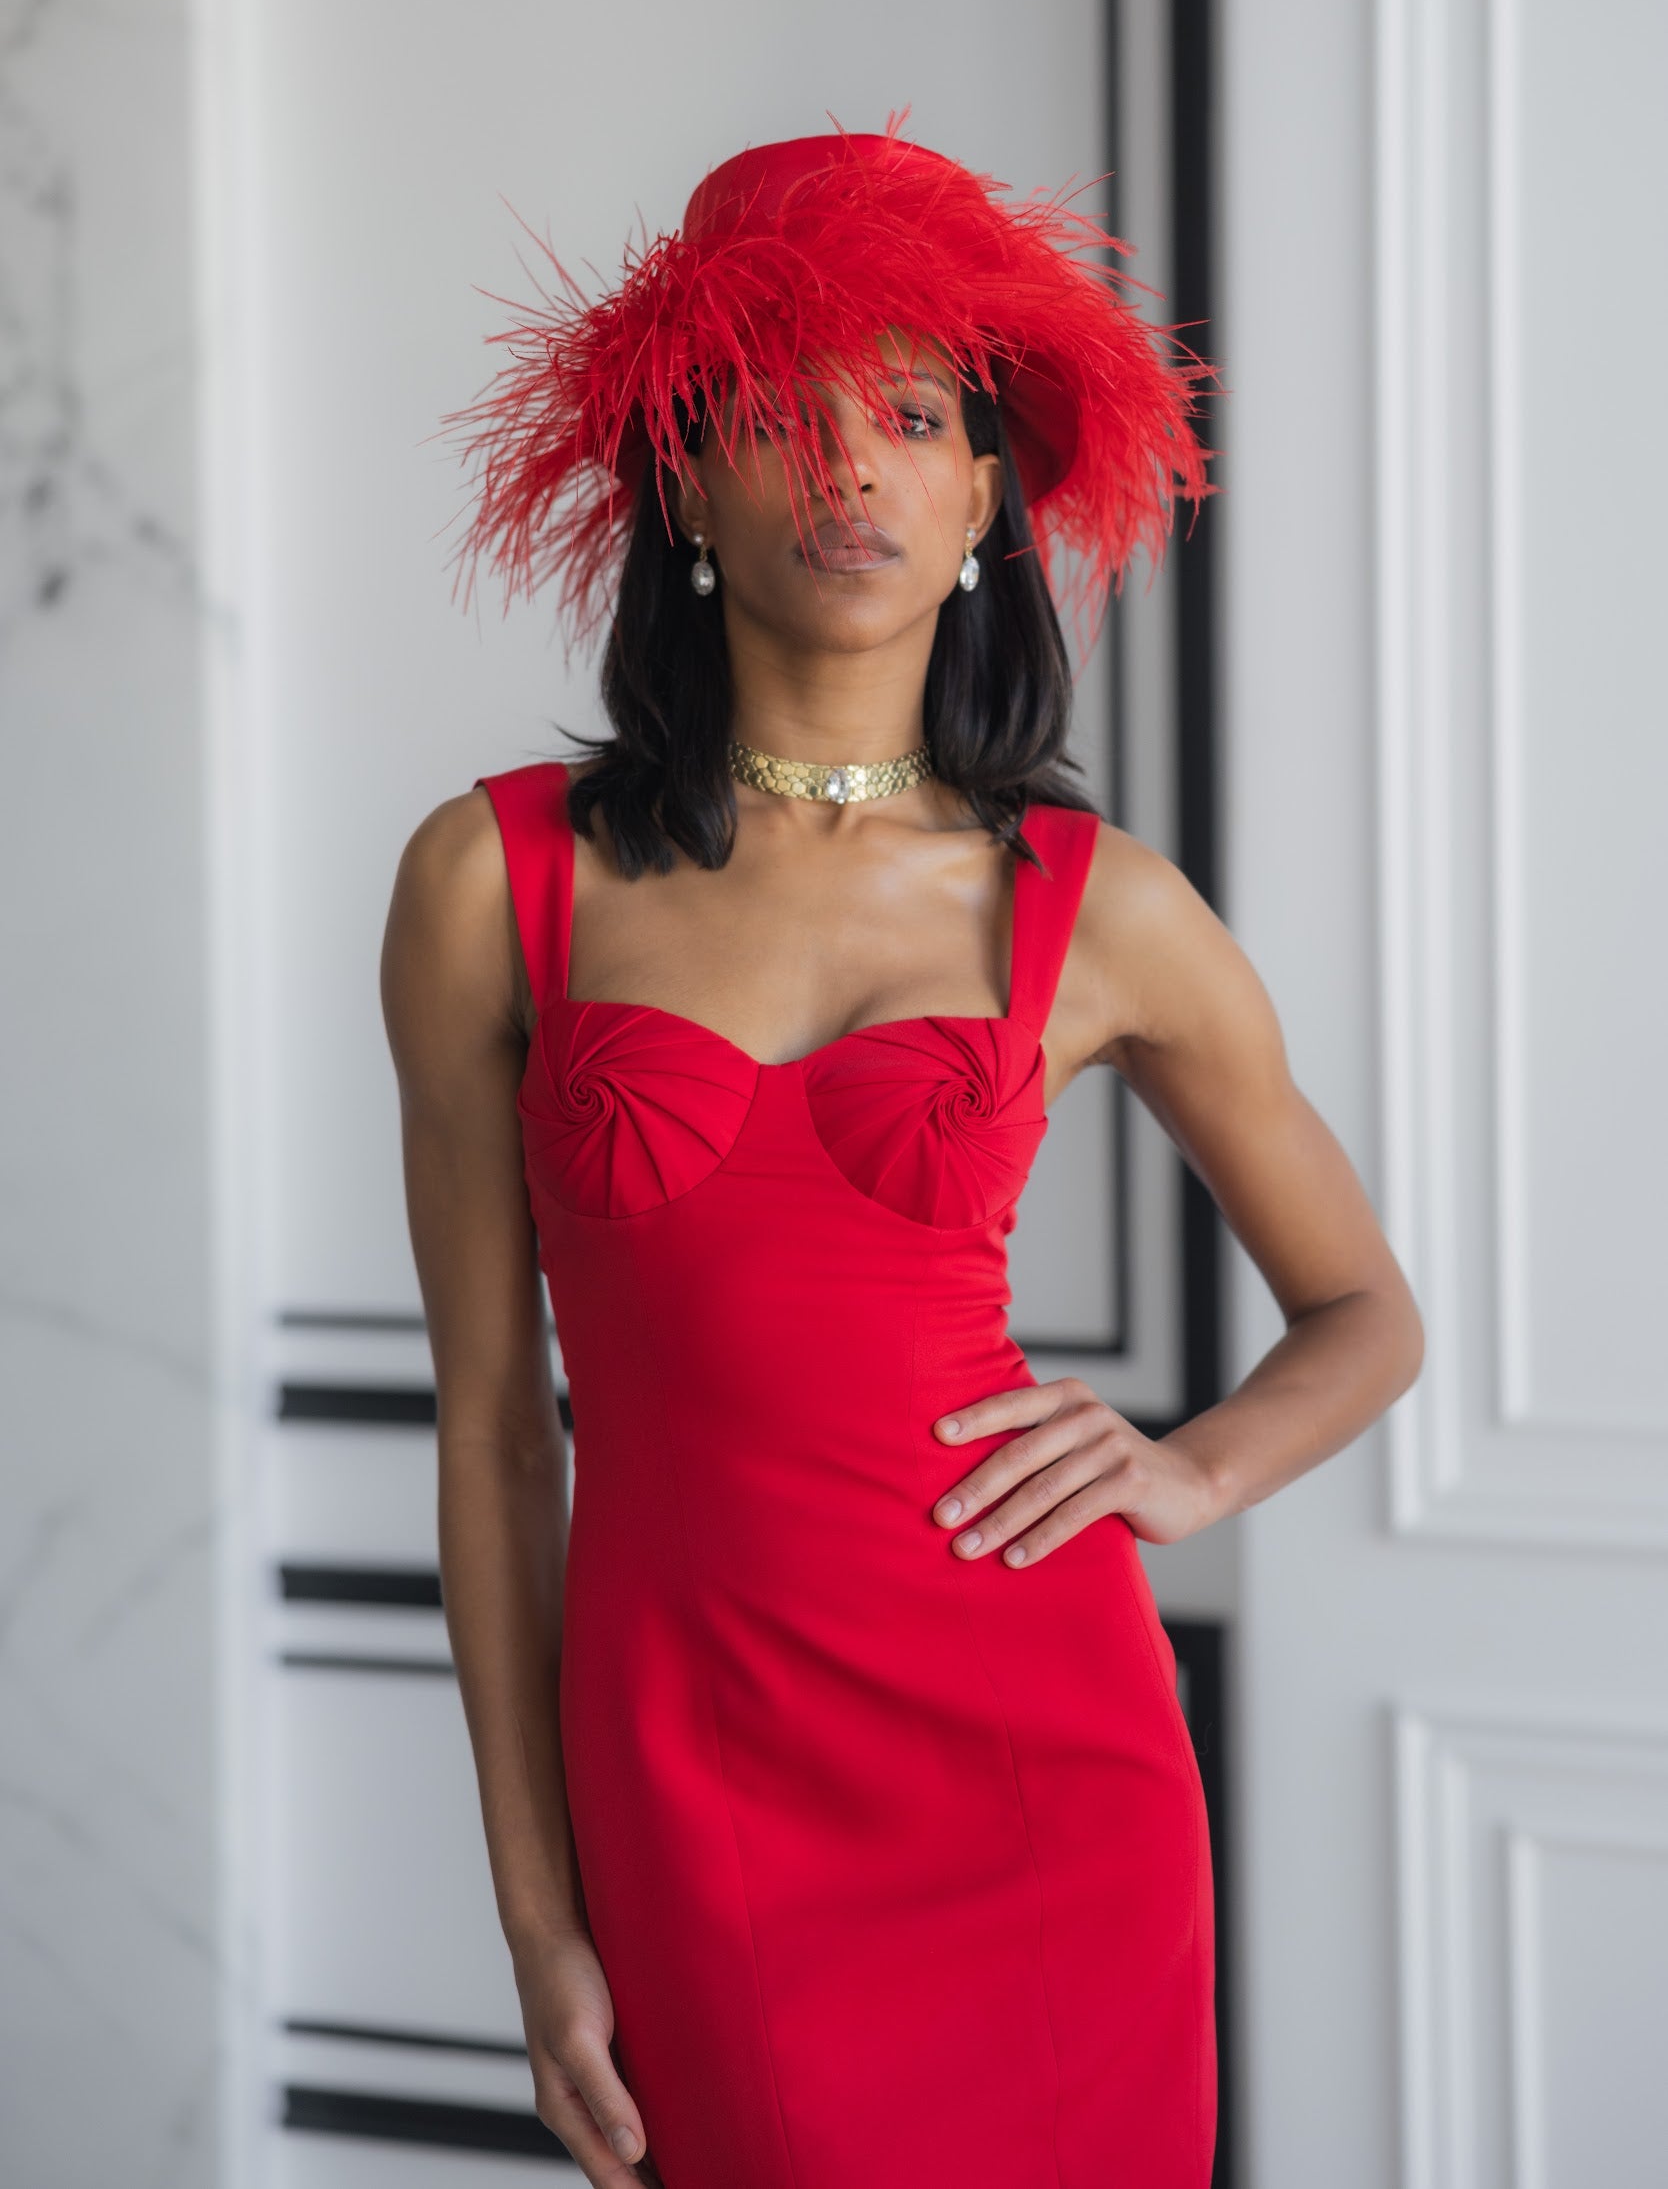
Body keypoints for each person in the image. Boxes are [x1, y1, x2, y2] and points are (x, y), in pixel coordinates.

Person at [380, 120, 1423, 2189]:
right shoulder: (493, 883)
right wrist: (538, 1915)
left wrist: (1192, 1469)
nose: (848, 462)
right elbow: (496, 1431)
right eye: (780, 409)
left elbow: (1364, 1311)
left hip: (1047, 1769)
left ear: (981, 502)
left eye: (915, 415)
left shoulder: (1101, 908)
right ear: (684, 481)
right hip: (700, 1771)